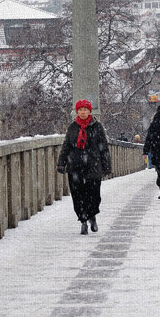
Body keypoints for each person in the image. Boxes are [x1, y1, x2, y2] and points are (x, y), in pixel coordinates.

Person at [57, 99, 111, 234]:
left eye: (85, 110)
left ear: (89, 111)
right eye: (80, 110)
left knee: (94, 194)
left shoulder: (97, 127)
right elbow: (66, 146)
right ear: (77, 111)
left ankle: (92, 216)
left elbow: (103, 147)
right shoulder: (73, 127)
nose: (83, 112)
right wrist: (61, 162)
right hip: (75, 166)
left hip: (93, 165)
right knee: (77, 195)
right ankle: (83, 221)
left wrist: (106, 165)